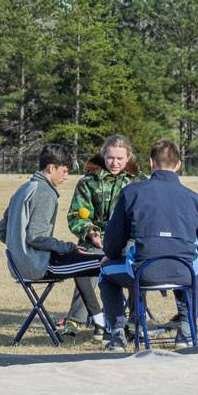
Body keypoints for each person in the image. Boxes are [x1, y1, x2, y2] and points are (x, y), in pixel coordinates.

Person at [98, 140, 198, 351]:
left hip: (142, 273)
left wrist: (112, 254)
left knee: (106, 272)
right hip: (184, 273)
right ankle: (186, 330)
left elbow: (112, 243)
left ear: (151, 163)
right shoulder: (196, 199)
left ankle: (117, 334)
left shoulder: (131, 193)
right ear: (179, 165)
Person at [0, 143, 107, 340]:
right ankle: (111, 324)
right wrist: (67, 247)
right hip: (38, 265)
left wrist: (19, 248)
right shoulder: (45, 192)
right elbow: (36, 238)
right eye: (64, 171)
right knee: (105, 262)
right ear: (51, 168)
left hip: (19, 264)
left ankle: (99, 322)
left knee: (83, 258)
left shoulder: (24, 188)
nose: (66, 176)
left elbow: (1, 232)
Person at [58, 135, 142, 337]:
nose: (115, 163)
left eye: (120, 158)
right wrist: (90, 231)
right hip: (96, 239)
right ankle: (77, 319)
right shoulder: (87, 182)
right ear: (104, 155)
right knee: (84, 263)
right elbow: (76, 216)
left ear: (128, 157)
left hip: (128, 239)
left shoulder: (139, 182)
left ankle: (134, 321)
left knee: (135, 264)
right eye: (110, 157)